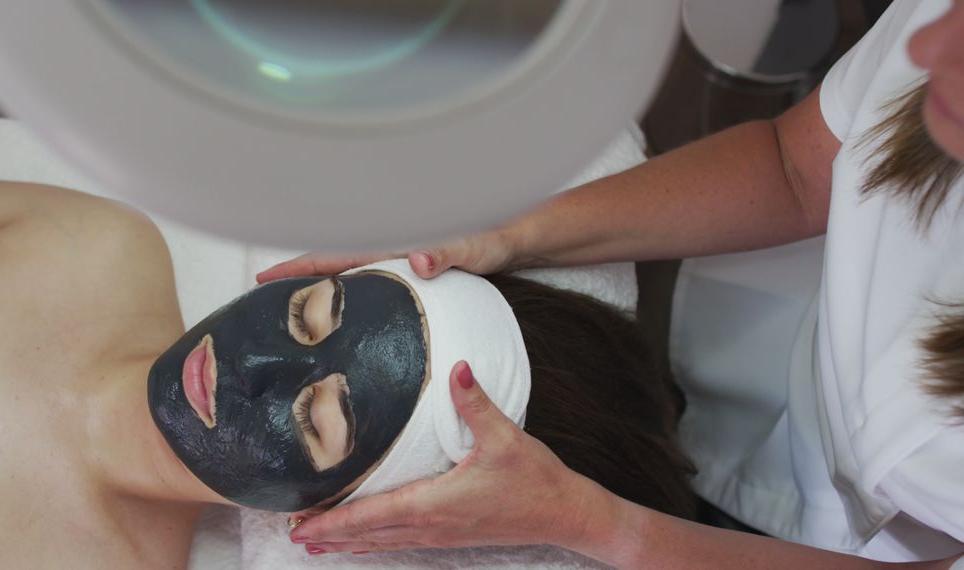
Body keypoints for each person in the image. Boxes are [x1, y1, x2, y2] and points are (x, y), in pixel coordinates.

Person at [260, 0, 964, 567]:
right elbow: (795, 166)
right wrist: (503, 234)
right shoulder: (944, 30)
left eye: (321, 419)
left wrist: (594, 524)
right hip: (760, 351)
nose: (927, 46)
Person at [0, 177, 694, 569]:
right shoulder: (95, 243)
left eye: (317, 420)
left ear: (351, 514)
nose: (253, 362)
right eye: (312, 313)